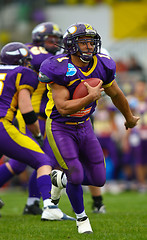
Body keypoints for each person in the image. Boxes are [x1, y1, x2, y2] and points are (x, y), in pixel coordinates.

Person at [39, 22, 139, 234]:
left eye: (91, 42)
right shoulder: (57, 66)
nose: (89, 46)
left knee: (99, 179)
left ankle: (60, 179)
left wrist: (129, 117)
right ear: (71, 45)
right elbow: (63, 108)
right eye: (83, 42)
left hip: (84, 125)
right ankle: (81, 218)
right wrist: (90, 97)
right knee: (75, 174)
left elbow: (116, 94)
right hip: (60, 126)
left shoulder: (103, 64)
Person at [0, 22, 73, 218]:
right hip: (25, 118)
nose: (55, 43)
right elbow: (26, 107)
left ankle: (33, 202)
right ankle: (47, 206)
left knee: (29, 161)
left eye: (57, 40)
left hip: (26, 117)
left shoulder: (17, 57)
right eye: (51, 39)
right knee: (39, 160)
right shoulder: (33, 62)